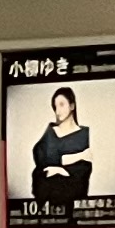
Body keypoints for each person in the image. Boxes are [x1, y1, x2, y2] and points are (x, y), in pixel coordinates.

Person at [29, 85, 92, 214]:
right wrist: (78, 156)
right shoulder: (51, 131)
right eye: (55, 106)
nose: (58, 111)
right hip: (46, 204)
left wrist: (57, 168)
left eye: (62, 105)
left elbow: (83, 172)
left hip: (74, 204)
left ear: (72, 106)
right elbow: (41, 157)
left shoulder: (84, 134)